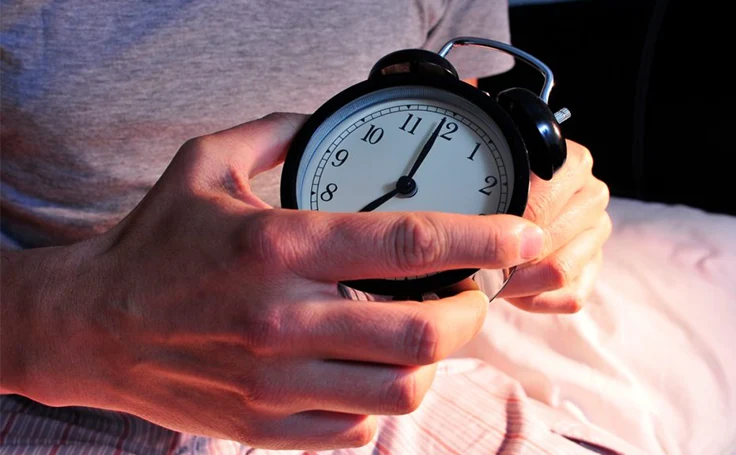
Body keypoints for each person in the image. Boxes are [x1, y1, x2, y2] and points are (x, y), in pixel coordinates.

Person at [0, 0, 623, 453]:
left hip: (366, 390)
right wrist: (67, 322)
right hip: (49, 401)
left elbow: (458, 137)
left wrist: (552, 215)